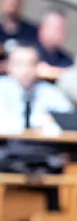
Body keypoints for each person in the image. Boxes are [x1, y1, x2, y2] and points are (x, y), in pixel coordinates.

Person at [0, 43, 73, 173]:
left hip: (43, 152)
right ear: (8, 66)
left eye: (30, 64)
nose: (25, 69)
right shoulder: (2, 87)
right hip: (6, 151)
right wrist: (39, 123)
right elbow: (4, 126)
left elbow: (68, 122)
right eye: (19, 64)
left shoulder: (49, 92)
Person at [34, 8, 73, 81]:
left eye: (64, 30)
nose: (62, 34)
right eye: (59, 29)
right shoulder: (26, 50)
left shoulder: (67, 60)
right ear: (43, 28)